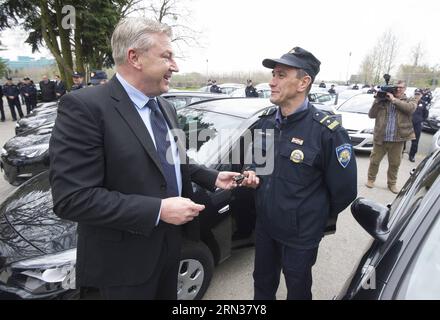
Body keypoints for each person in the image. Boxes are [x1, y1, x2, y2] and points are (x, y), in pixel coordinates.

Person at [49, 17, 241, 300]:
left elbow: (171, 158)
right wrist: (158, 210)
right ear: (134, 57)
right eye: (167, 56)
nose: (175, 66)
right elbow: (72, 198)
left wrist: (209, 176)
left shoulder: (163, 106)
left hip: (171, 249)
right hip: (122, 267)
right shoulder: (84, 108)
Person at [241, 46, 357, 300]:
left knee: (298, 288)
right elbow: (256, 165)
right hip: (266, 227)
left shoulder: (328, 131)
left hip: (301, 236)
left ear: (304, 82)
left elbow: (345, 191)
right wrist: (252, 176)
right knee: (262, 283)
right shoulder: (267, 122)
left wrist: (308, 216)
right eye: (273, 74)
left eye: (281, 75)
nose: (271, 82)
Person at [365, 80, 416, 194]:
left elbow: (410, 109)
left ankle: (392, 184)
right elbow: (371, 115)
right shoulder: (383, 99)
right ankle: (371, 179)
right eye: (396, 87)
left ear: (405, 89)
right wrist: (378, 100)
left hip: (398, 139)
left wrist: (394, 100)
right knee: (374, 161)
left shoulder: (409, 100)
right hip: (381, 137)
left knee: (395, 163)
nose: (398, 89)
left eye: (401, 87)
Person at [408, 89, 429, 162]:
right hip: (408, 123)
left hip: (417, 125)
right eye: (416, 94)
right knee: (403, 139)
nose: (417, 96)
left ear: (421, 95)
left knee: (415, 141)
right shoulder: (409, 102)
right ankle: (401, 152)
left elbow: (425, 114)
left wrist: (421, 121)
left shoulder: (423, 104)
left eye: (418, 94)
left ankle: (412, 155)